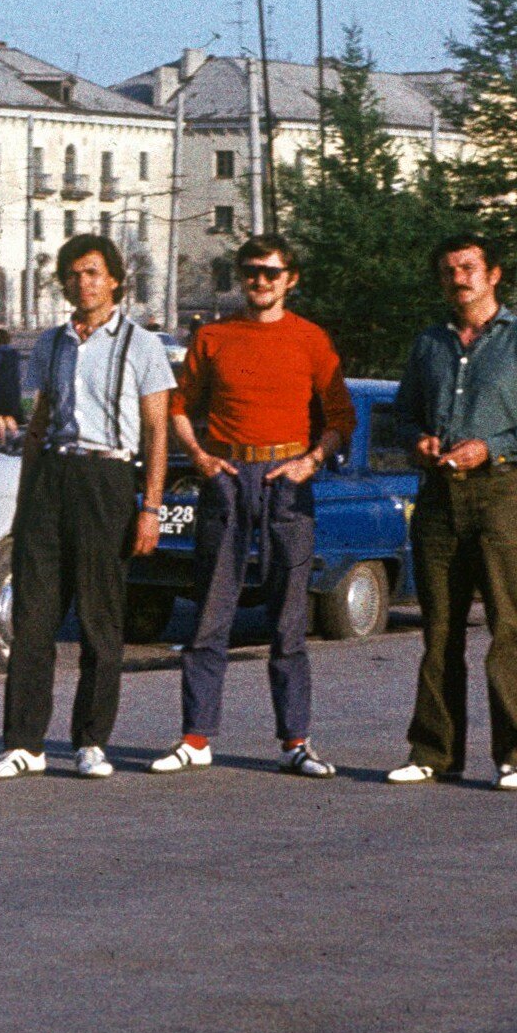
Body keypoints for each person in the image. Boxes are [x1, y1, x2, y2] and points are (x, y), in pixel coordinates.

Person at [151, 234, 352, 780]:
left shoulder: (310, 339)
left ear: (291, 279)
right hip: (228, 474)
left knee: (289, 614)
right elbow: (178, 404)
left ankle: (295, 740)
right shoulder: (214, 336)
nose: (259, 281)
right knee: (211, 608)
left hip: (288, 479)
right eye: (250, 272)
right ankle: (196, 737)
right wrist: (199, 457)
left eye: (270, 272)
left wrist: (311, 461)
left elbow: (339, 417)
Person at [0, 234, 175, 781]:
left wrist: (151, 508)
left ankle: (91, 740)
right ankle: (24, 742)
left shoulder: (142, 345)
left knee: (98, 617)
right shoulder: (51, 343)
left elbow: (158, 431)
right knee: (33, 616)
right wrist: (26, 500)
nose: (81, 283)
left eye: (92, 273)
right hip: (52, 476)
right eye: (72, 273)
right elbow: (40, 418)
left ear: (114, 279)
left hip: (107, 476)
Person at [386, 233, 517, 791]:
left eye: (468, 268)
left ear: (493, 275)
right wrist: (417, 437)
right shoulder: (429, 345)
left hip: (499, 494)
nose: (458, 278)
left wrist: (492, 446)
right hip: (437, 498)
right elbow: (403, 413)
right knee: (438, 630)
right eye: (448, 271)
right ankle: (433, 752)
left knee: (509, 626)